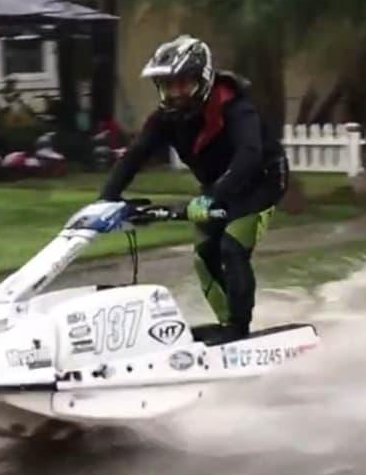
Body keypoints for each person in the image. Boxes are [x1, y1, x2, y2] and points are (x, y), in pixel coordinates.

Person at [99, 35, 290, 344]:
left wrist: (213, 196)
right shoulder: (166, 118)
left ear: (201, 81)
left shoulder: (236, 107)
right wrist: (105, 199)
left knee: (231, 246)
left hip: (261, 180)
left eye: (182, 84)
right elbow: (135, 155)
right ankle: (227, 324)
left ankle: (239, 331)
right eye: (168, 85)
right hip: (216, 186)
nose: (175, 93)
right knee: (204, 253)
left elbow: (249, 155)